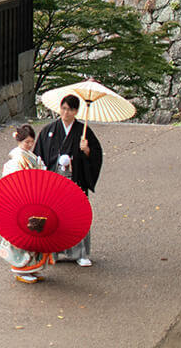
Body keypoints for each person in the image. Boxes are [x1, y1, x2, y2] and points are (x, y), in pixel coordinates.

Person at [35, 94, 103, 267]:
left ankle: (80, 253)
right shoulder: (49, 130)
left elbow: (97, 155)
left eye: (70, 109)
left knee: (77, 216)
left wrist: (87, 151)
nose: (65, 113)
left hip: (76, 179)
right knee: (55, 216)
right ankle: (54, 252)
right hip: (54, 180)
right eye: (63, 108)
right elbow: (38, 156)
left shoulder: (83, 131)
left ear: (76, 111)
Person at [0, 124, 54, 283]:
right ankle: (20, 269)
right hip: (21, 201)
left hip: (33, 200)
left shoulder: (30, 156)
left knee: (35, 233)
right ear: (19, 140)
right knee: (23, 235)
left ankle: (32, 268)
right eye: (26, 141)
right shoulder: (17, 160)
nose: (29, 144)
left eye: (31, 141)